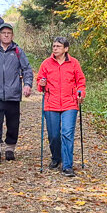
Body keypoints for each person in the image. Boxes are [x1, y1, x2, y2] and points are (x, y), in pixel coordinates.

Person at [0, 22, 33, 162]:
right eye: (3, 33)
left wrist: (27, 84)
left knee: (13, 123)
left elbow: (27, 69)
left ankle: (10, 148)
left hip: (13, 94)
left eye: (9, 33)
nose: (6, 35)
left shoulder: (18, 51)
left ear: (12, 35)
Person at [35, 36, 87, 176]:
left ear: (66, 49)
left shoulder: (74, 63)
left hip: (70, 103)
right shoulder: (46, 63)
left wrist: (81, 93)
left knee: (67, 134)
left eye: (58, 46)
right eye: (54, 46)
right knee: (53, 135)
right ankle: (56, 157)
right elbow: (40, 81)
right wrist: (41, 84)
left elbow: (80, 81)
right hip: (51, 104)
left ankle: (67, 165)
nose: (55, 48)